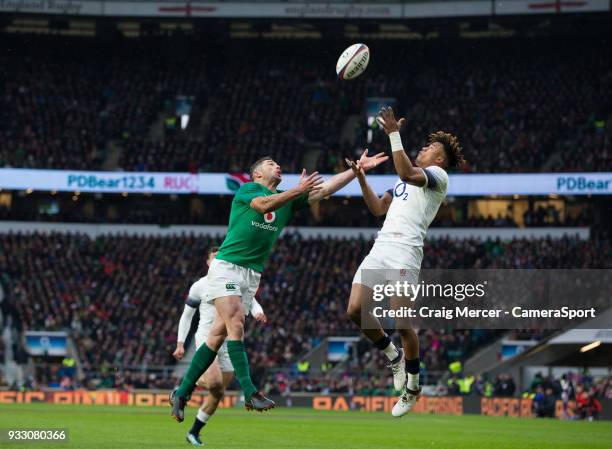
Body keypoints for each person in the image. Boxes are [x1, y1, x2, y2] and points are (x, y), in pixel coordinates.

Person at [171, 150, 388, 421]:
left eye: (278, 163)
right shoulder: (247, 190)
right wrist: (297, 190)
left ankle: (181, 391)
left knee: (216, 336)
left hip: (252, 275)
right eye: (271, 164)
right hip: (226, 266)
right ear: (257, 174)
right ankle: (250, 392)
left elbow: (327, 188)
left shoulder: (290, 198)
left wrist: (357, 170)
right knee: (236, 322)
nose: (278, 165)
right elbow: (264, 206)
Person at [345, 106, 465, 417]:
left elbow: (406, 171)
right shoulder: (400, 186)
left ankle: (412, 385)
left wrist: (393, 133)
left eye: (430, 148)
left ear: (439, 159)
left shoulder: (438, 177)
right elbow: (376, 208)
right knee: (355, 310)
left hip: (406, 252)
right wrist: (360, 179)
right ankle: (392, 355)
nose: (424, 148)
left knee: (401, 323)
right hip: (381, 247)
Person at [173, 246, 267, 446]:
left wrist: (258, 311)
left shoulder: (232, 282)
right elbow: (187, 315)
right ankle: (183, 388)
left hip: (228, 341)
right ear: (209, 263)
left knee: (218, 392)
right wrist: (180, 343)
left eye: (221, 256)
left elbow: (251, 301)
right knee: (214, 382)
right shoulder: (200, 286)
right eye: (214, 257)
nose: (219, 259)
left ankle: (193, 432)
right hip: (207, 338)